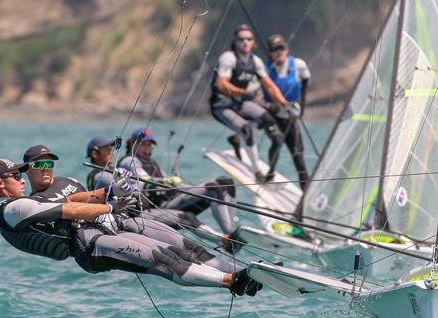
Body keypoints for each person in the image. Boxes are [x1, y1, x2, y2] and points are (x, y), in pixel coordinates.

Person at [0, 157, 261, 296]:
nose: (22, 180)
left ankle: (241, 273)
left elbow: (72, 198)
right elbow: (69, 209)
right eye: (16, 176)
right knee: (164, 260)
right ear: (0, 183)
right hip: (90, 248)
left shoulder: (24, 202)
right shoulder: (13, 209)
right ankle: (231, 282)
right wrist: (109, 207)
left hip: (102, 232)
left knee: (180, 247)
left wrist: (110, 193)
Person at [117, 128, 245, 252]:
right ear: (132, 143)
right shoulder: (129, 160)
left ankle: (231, 232)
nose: (148, 148)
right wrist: (167, 181)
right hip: (155, 207)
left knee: (225, 182)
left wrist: (183, 186)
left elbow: (170, 183)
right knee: (213, 188)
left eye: (150, 145)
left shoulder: (151, 162)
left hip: (171, 200)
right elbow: (145, 181)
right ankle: (228, 239)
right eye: (144, 144)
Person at [209, 24, 290, 181]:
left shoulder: (256, 61)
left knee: (269, 120)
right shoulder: (229, 58)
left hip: (240, 104)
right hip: (221, 106)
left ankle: (238, 139)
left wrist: (285, 104)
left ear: (253, 42)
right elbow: (221, 85)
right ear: (235, 42)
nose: (245, 42)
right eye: (241, 39)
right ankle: (257, 171)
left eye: (249, 39)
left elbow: (270, 86)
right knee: (246, 129)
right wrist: (242, 92)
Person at [263, 34, 310, 188]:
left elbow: (306, 80)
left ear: (287, 50)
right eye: (275, 50)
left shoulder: (298, 64)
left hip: (290, 114)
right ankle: (270, 173)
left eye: (281, 48)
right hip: (272, 114)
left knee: (297, 154)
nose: (279, 52)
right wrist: (271, 106)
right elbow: (258, 93)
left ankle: (306, 188)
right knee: (277, 141)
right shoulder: (265, 68)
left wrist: (301, 106)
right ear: (270, 53)